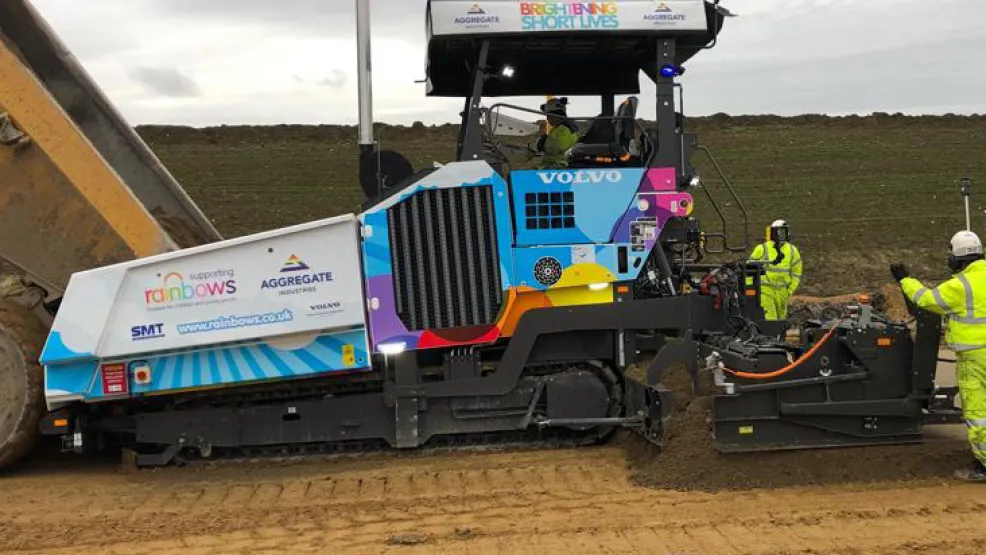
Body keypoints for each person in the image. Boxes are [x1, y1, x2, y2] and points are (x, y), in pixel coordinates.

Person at [892, 230, 986, 482]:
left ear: (958, 257)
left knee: (978, 413)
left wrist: (905, 280)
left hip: (975, 358)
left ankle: (984, 466)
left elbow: (927, 300)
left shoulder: (960, 285)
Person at [748, 220, 803, 321]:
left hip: (782, 292)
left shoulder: (792, 250)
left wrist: (789, 290)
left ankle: (777, 336)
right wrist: (750, 290)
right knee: (770, 319)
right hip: (765, 290)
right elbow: (749, 271)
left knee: (781, 320)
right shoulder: (762, 249)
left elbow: (796, 273)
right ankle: (769, 336)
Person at [534, 97, 579, 169]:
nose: (547, 119)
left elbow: (556, 148)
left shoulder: (565, 128)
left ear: (556, 115)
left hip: (559, 166)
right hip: (553, 164)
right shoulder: (559, 127)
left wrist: (542, 142)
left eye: (548, 116)